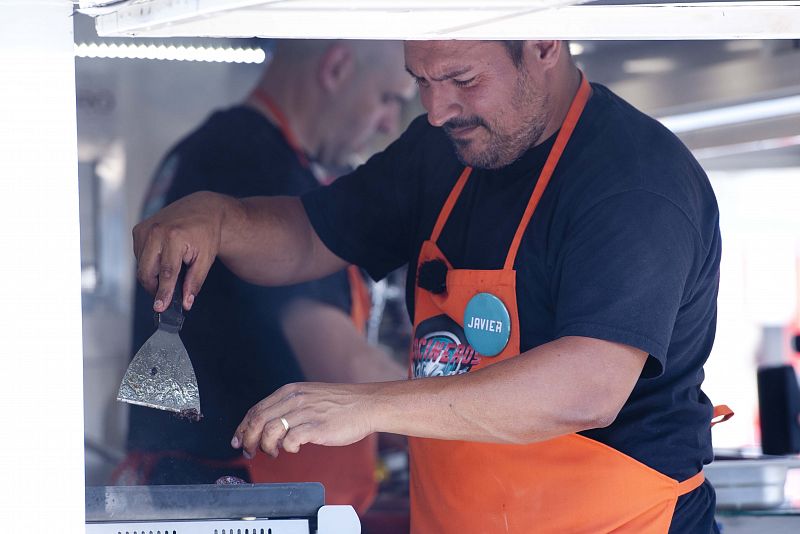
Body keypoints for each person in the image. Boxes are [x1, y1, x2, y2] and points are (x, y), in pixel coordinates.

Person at [132, 40, 730, 533]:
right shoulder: (442, 151)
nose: (437, 109)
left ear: (543, 45)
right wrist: (222, 220)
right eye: (420, 80)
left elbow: (588, 387)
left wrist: (366, 404)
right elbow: (314, 236)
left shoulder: (633, 180)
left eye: (462, 80)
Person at [117, 39, 415, 514]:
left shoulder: (216, 149)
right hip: (250, 499)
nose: (388, 124)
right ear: (336, 68)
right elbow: (342, 364)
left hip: (200, 487)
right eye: (388, 98)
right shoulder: (257, 167)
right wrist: (461, 420)